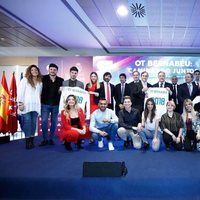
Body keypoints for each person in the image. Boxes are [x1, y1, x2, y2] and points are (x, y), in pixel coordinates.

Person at [17, 65, 42, 149]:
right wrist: (20, 103)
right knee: (27, 122)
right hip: (26, 105)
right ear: (29, 71)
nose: (34, 71)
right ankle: (27, 140)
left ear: (38, 71)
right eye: (32, 70)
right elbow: (20, 92)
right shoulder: (25, 80)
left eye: (36, 70)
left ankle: (32, 140)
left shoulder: (40, 82)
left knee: (33, 123)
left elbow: (39, 94)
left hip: (36, 105)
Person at [39, 63, 64, 146]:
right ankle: (45, 139)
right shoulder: (43, 78)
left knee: (54, 122)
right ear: (48, 70)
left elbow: (63, 93)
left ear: (57, 71)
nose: (53, 71)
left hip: (56, 105)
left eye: (54, 69)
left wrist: (61, 90)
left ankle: (51, 139)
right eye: (51, 69)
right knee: (44, 121)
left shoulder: (61, 80)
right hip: (45, 104)